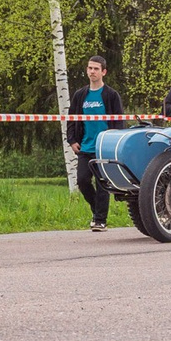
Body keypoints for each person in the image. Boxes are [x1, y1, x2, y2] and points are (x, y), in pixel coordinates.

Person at [64, 54, 126, 231]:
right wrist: (72, 140)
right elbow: (71, 119)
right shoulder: (80, 95)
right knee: (83, 181)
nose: (92, 71)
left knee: (102, 184)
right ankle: (96, 208)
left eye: (96, 69)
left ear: (103, 72)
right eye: (90, 68)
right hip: (85, 146)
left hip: (104, 147)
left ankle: (100, 220)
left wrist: (116, 143)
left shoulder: (111, 95)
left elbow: (119, 121)